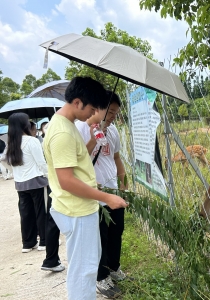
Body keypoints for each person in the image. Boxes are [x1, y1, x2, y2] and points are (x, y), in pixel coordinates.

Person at [43, 77, 128, 300]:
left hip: (80, 207)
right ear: (78, 102)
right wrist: (105, 197)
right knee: (84, 271)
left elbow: (77, 169)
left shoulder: (67, 126)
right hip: (76, 210)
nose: (92, 115)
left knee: (87, 267)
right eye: (91, 109)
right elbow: (67, 181)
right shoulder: (62, 132)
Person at [76, 91, 128, 298]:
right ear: (97, 107)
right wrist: (92, 139)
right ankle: (101, 278)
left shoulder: (113, 130)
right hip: (93, 195)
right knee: (99, 238)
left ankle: (114, 268)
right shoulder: (80, 128)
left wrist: (123, 188)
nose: (114, 116)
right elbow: (77, 163)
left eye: (116, 112)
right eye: (111, 111)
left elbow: (116, 159)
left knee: (117, 231)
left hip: (113, 192)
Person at [6, 113, 47, 252]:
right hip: (35, 180)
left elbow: (4, 160)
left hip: (20, 183)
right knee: (41, 211)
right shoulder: (32, 141)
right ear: (24, 125)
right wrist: (50, 175)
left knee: (26, 213)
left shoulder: (11, 144)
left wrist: (13, 172)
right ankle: (44, 240)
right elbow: (41, 163)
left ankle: (28, 243)